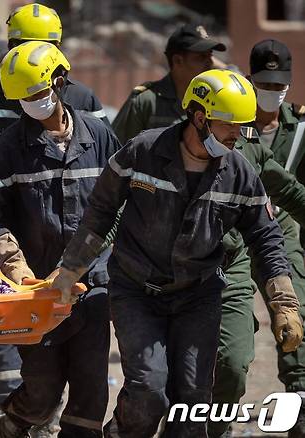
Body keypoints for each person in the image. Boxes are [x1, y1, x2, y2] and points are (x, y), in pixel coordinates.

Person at [52, 69, 302, 437]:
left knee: (193, 402)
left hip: (197, 296)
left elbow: (265, 237)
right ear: (200, 117)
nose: (239, 134)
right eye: (230, 125)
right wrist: (68, 272)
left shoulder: (239, 172)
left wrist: (285, 305)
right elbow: (100, 213)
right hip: (136, 291)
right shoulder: (143, 152)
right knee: (149, 390)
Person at [0, 40, 119, 438]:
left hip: (91, 286)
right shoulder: (7, 150)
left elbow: (120, 206)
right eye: (24, 98)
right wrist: (17, 268)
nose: (33, 103)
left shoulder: (99, 137)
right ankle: (12, 425)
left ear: (59, 82)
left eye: (39, 93)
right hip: (35, 291)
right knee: (44, 389)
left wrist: (97, 261)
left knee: (91, 390)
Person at [246, 39, 305, 437]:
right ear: (250, 80)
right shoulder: (227, 121)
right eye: (266, 83)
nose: (274, 90)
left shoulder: (300, 126)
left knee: (295, 308)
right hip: (230, 229)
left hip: (281, 229)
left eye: (280, 83)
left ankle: (298, 400)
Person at [0, 3, 109, 133]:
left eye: (41, 47)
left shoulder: (82, 98)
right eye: (25, 45)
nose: (32, 54)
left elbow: (104, 149)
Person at [112, 23, 226, 145]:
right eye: (201, 57)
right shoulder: (146, 102)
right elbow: (116, 149)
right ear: (178, 60)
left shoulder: (216, 101)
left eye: (211, 56)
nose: (210, 63)